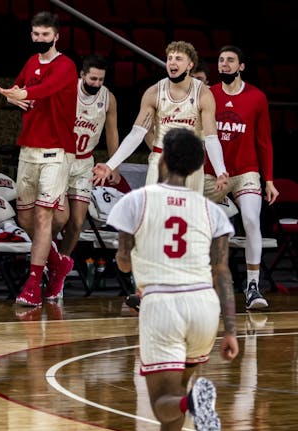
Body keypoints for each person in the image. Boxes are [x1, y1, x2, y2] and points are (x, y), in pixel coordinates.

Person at [106, 128, 239, 431]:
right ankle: (187, 407)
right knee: (178, 388)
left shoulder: (136, 201)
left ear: (162, 158)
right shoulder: (213, 211)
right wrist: (231, 330)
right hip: (204, 307)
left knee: (165, 404)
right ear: (196, 168)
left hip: (163, 305)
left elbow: (123, 262)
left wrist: (133, 255)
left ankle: (192, 403)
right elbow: (223, 273)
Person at [0, 10, 77, 308]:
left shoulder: (66, 66)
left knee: (44, 216)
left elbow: (44, 90)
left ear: (56, 36)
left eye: (46, 34)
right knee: (25, 217)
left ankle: (33, 283)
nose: (40, 39)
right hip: (28, 149)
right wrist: (11, 96)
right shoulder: (31, 62)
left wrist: (20, 93)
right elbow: (16, 92)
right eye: (36, 34)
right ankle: (57, 262)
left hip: (57, 151)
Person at [92, 40, 229, 197]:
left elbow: (211, 138)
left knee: (189, 217)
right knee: (155, 217)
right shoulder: (154, 92)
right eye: (170, 58)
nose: (172, 62)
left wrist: (220, 171)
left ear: (190, 65)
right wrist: (110, 165)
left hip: (191, 162)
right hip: (160, 159)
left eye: (178, 58)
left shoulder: (203, 94)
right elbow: (137, 133)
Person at [203, 45, 278, 311]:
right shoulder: (209, 95)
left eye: (230, 60)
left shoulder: (257, 97)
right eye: (221, 60)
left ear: (241, 66)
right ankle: (199, 285)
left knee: (250, 220)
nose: (224, 64)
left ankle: (253, 286)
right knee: (201, 227)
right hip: (212, 174)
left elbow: (264, 141)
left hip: (245, 172)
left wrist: (268, 179)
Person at [50, 54, 120, 300]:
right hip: (62, 158)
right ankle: (46, 257)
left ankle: (60, 266)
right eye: (93, 78)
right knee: (59, 219)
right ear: (82, 75)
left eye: (101, 79)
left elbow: (112, 133)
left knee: (78, 222)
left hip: (84, 162)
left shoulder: (108, 97)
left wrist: (114, 165)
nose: (97, 83)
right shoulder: (68, 90)